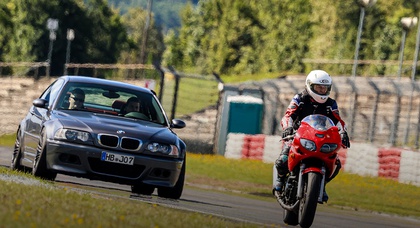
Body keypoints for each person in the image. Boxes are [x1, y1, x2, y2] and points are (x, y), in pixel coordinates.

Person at [273, 70, 351, 203]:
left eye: (324, 88)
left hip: (320, 138)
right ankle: (280, 179)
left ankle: (321, 183)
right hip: (298, 136)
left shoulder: (331, 104)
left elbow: (338, 120)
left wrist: (343, 132)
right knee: (283, 160)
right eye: (318, 87)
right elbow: (288, 115)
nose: (321, 91)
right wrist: (288, 128)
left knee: (336, 164)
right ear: (310, 86)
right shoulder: (300, 98)